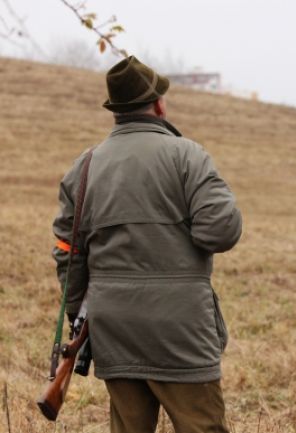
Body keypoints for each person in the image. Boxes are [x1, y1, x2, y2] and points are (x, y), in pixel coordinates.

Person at [52, 55, 242, 433]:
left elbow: (68, 255)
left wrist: (81, 316)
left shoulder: (85, 167)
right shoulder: (188, 155)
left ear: (116, 111)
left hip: (114, 329)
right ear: (158, 104)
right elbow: (221, 230)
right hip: (181, 331)